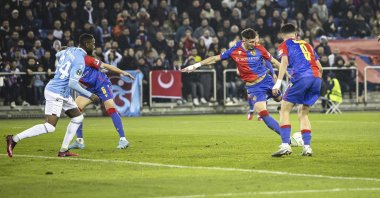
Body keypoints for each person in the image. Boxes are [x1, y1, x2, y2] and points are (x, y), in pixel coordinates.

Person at [6, 33, 100, 158]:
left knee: (78, 118)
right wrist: (90, 95)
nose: (94, 46)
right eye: (93, 43)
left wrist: (61, 53)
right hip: (55, 91)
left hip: (63, 92)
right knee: (50, 127)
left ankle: (63, 150)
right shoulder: (80, 61)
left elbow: (57, 55)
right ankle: (14, 139)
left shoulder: (69, 50)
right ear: (87, 44)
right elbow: (73, 83)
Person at [182, 28, 283, 137]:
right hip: (254, 87)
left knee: (279, 99)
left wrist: (283, 77)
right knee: (264, 116)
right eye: (251, 42)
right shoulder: (234, 50)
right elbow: (215, 58)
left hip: (266, 80)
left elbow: (274, 61)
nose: (254, 44)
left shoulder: (259, 47)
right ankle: (288, 140)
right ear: (243, 41)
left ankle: (280, 103)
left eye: (255, 41)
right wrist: (195, 65)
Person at [272, 24, 323, 157]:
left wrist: (277, 83)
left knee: (284, 109)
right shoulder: (307, 44)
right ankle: (307, 148)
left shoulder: (285, 44)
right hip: (316, 78)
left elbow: (284, 63)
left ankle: (285, 145)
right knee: (303, 113)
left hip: (301, 77)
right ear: (295, 34)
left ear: (282, 35)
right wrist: (315, 81)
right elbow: (320, 67)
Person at [68, 54, 135, 150]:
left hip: (102, 84)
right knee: (75, 109)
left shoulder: (86, 59)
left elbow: (106, 66)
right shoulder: (69, 68)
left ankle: (123, 139)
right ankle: (79, 141)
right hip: (90, 88)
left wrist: (123, 72)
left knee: (111, 109)